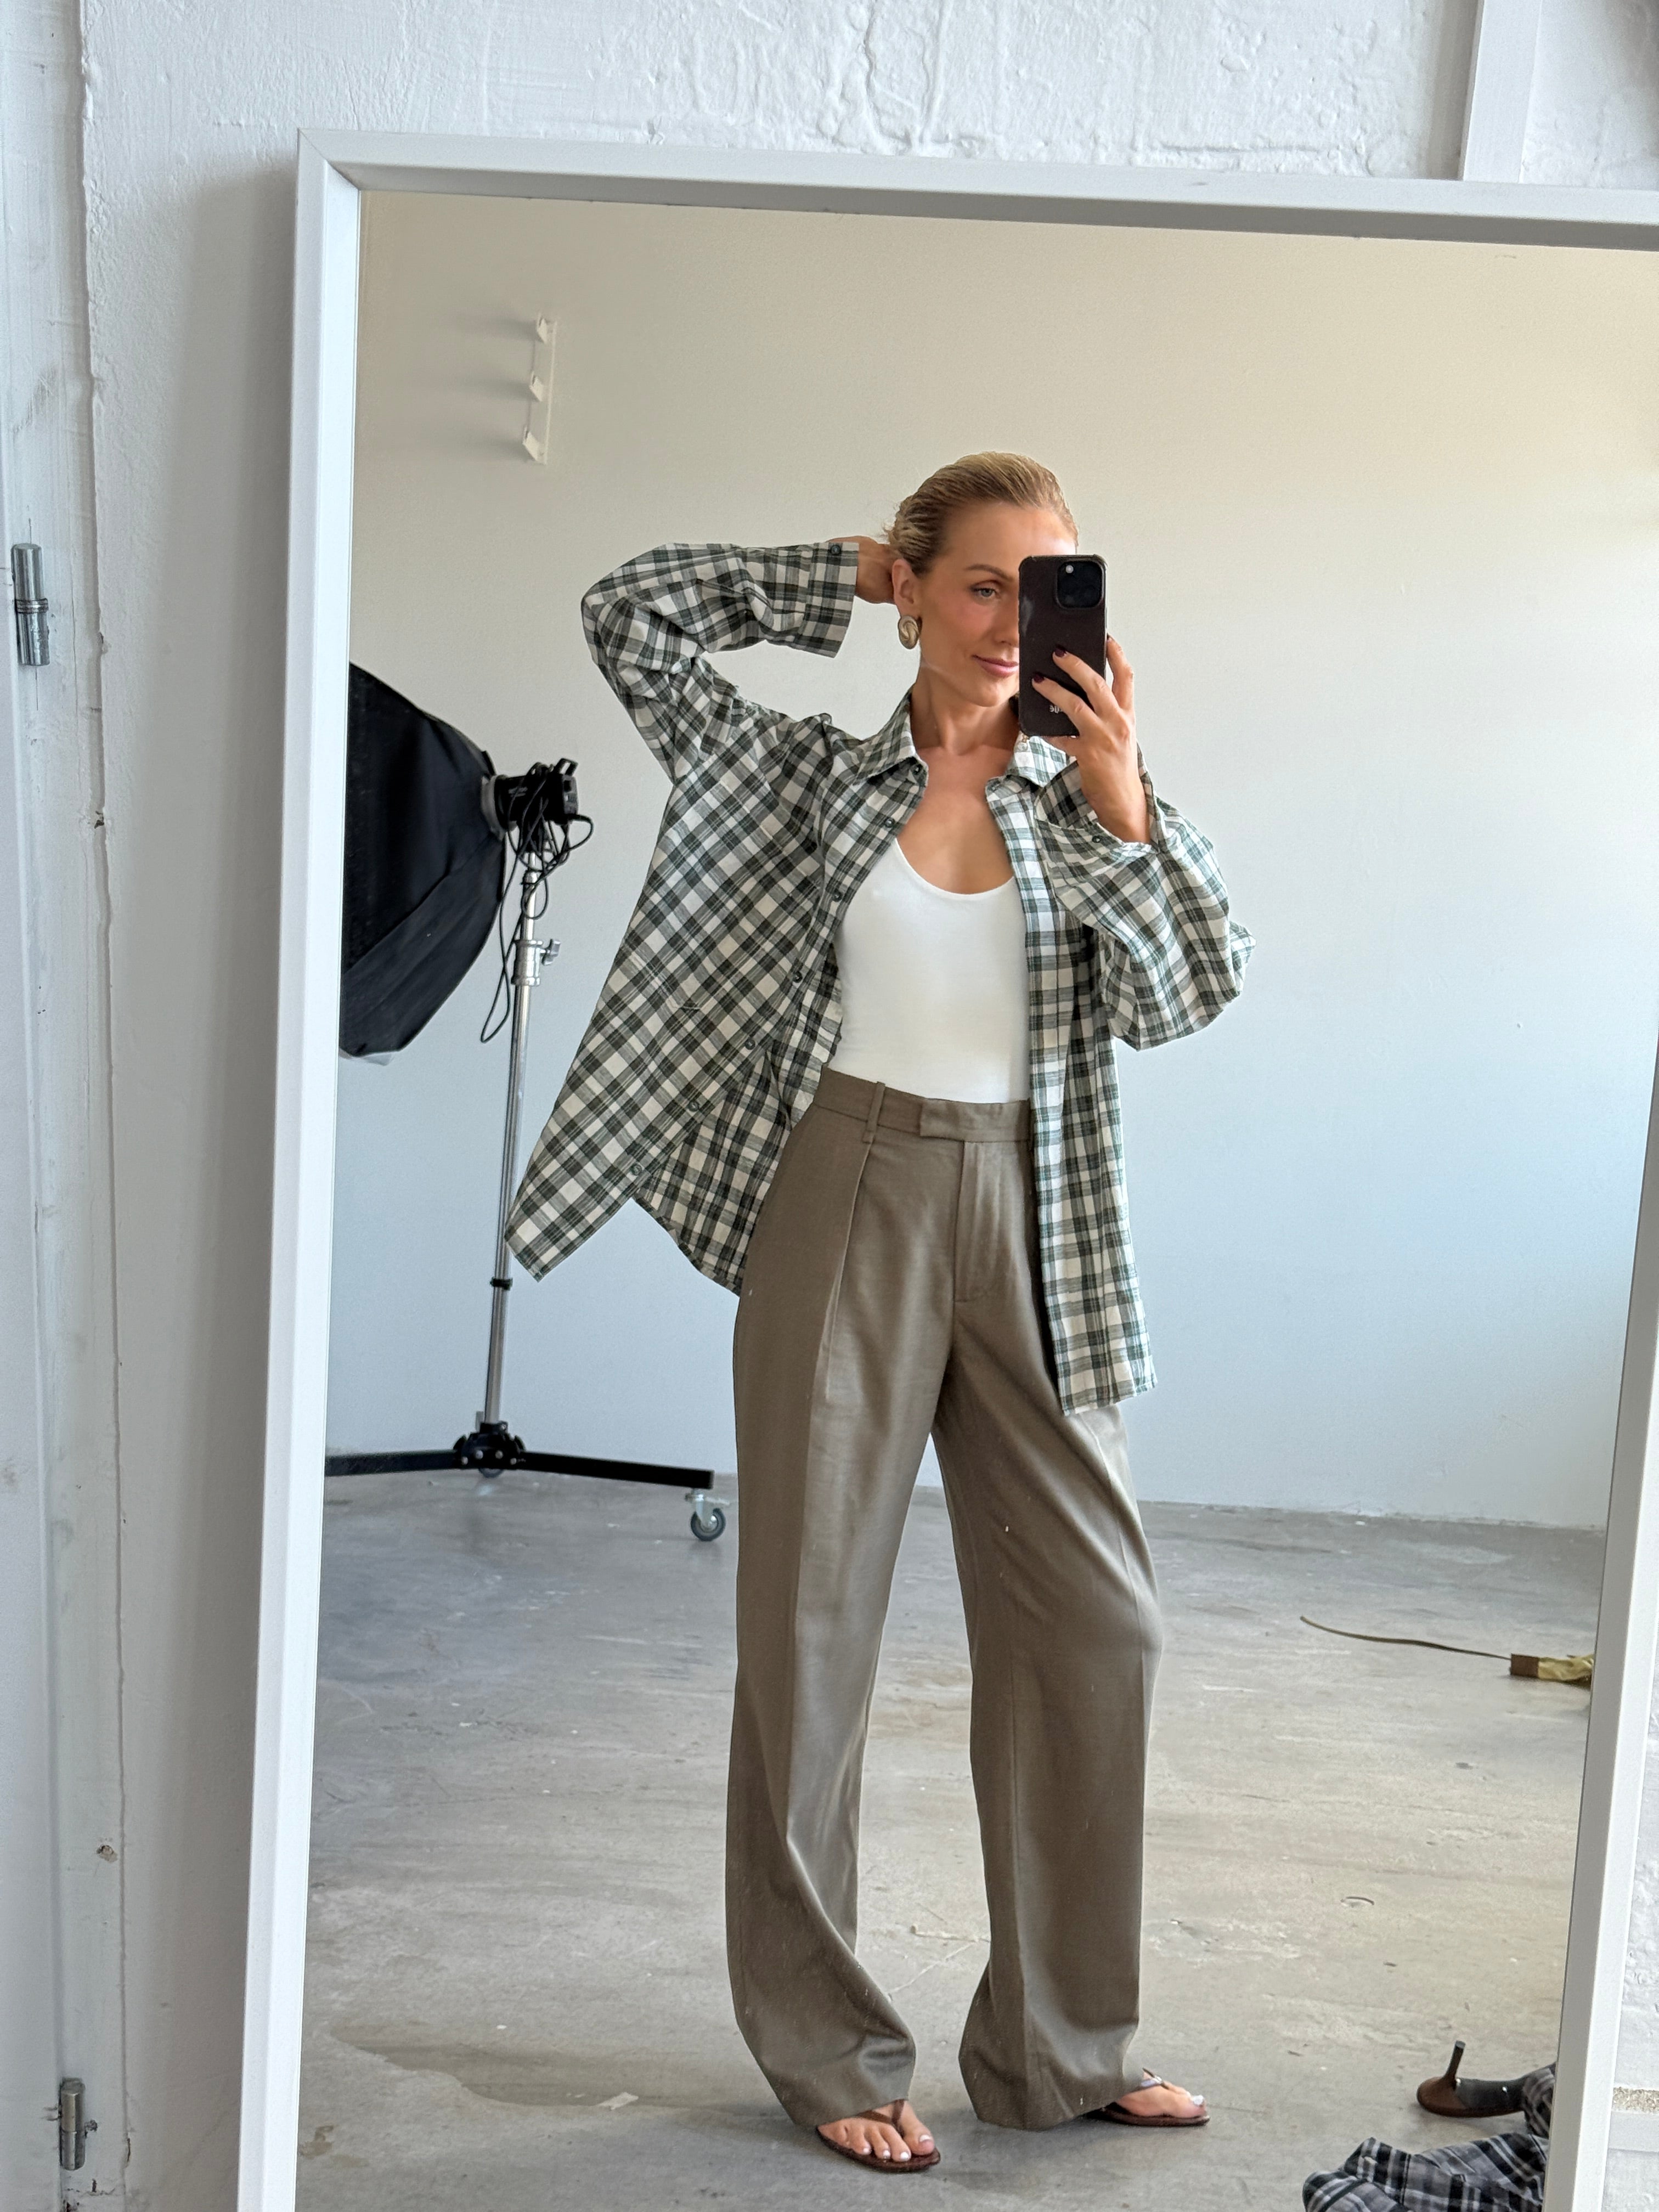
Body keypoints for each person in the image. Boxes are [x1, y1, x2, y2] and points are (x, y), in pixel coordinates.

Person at [507, 453, 1252, 2171]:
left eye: (1047, 589)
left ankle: (1063, 2047)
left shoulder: (1091, 805)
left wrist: (1132, 799)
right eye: (979, 584)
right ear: (917, 592)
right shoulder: (790, 780)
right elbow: (629, 618)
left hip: (1034, 1208)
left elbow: (1200, 987)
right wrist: (832, 572)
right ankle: (831, 2049)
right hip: (839, 1193)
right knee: (811, 1635)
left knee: (1099, 1631)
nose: (1011, 624)